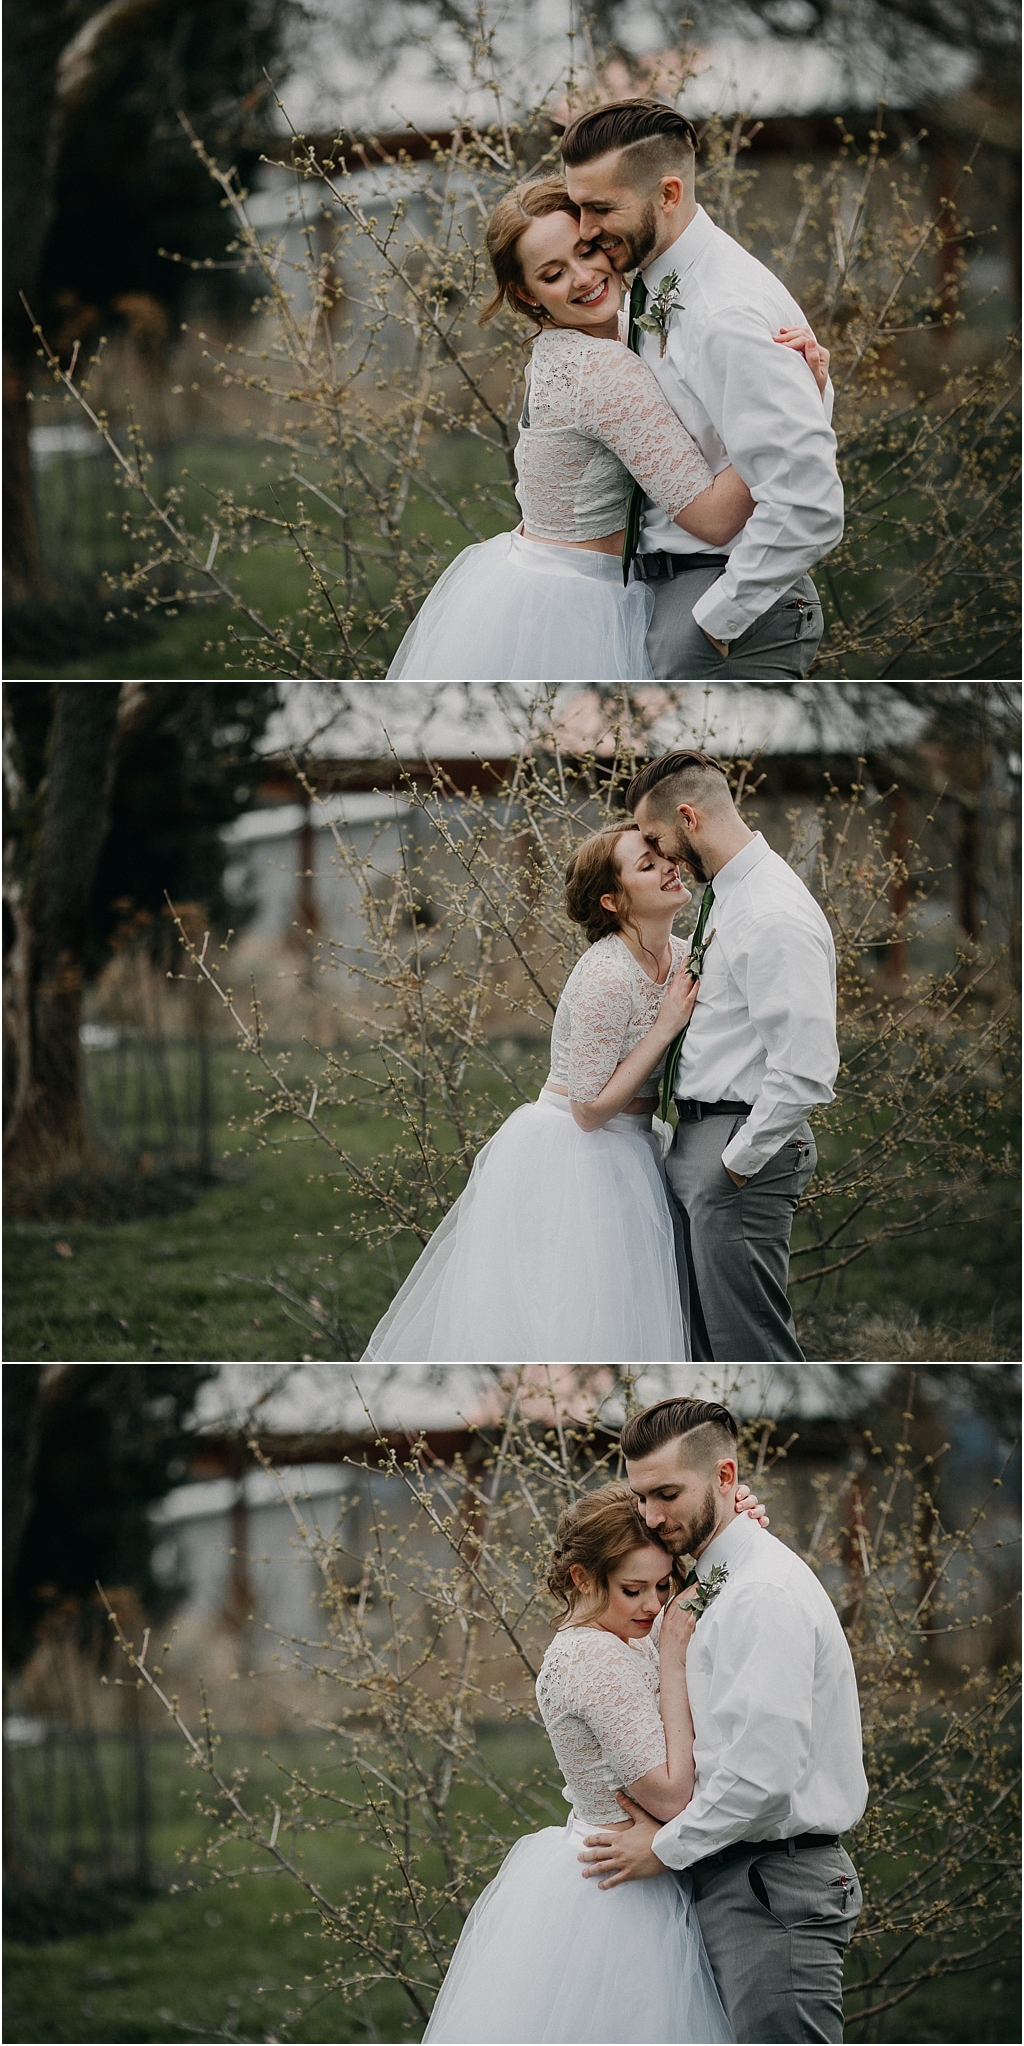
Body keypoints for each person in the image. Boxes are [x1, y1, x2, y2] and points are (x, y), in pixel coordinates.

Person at [387, 179, 830, 679]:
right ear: (525, 293)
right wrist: (787, 412)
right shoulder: (600, 371)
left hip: (533, 572)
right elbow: (712, 518)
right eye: (554, 274)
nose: (582, 278)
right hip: (578, 599)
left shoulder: (593, 337)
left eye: (587, 250)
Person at [424, 1479, 770, 2045]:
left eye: (663, 1585)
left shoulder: (621, 1632)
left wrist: (738, 1524)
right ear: (583, 1578)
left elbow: (695, 1600)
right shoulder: (592, 1658)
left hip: (646, 1868)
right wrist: (675, 1663)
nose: (654, 1605)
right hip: (622, 1892)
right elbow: (670, 1795)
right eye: (634, 1589)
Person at [578, 1398, 868, 2046]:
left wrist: (661, 1849)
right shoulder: (718, 1577)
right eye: (643, 1497)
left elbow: (762, 1777)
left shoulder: (761, 1595)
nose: (652, 1516)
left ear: (727, 1478)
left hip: (773, 1885)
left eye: (668, 1494)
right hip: (738, 1874)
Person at [362, 823, 700, 1361]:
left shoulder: (683, 956)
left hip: (637, 1141)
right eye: (647, 864)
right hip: (580, 1155)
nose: (668, 866)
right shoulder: (607, 976)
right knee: (578, 1311)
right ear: (613, 901)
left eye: (663, 855)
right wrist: (663, 1027)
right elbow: (587, 1110)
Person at [562, 98, 844, 678]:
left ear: (667, 195)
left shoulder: (724, 312)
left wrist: (717, 618)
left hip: (720, 599)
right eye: (578, 209)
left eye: (600, 209)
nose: (585, 232)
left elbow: (810, 499)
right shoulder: (656, 280)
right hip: (662, 587)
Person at [626, 749, 839, 1363]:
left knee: (751, 1349)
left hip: (738, 1148)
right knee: (707, 1349)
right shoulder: (731, 894)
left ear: (687, 817)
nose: (658, 853)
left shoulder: (772, 912)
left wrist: (737, 1165)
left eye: (655, 837)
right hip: (703, 1140)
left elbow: (806, 1069)